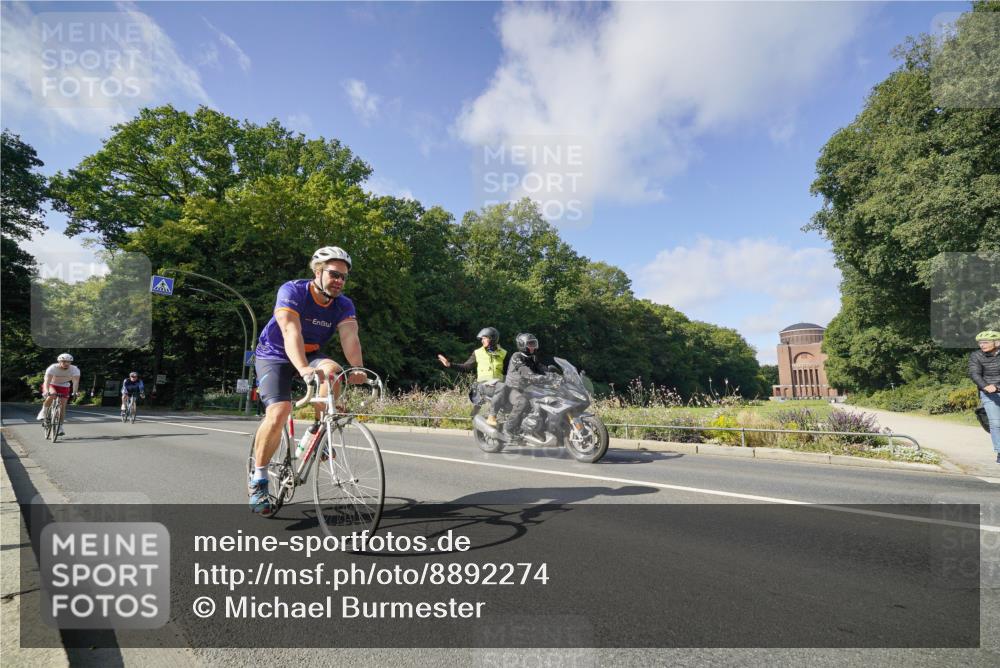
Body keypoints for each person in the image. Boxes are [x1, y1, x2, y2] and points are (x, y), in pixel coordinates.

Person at [249, 246, 367, 514]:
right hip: (275, 355)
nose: (339, 281)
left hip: (312, 354)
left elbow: (350, 337)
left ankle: (317, 434)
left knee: (335, 372)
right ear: (318, 271)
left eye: (343, 277)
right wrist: (302, 368)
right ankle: (258, 478)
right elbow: (290, 331)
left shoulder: (343, 304)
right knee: (279, 412)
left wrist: (358, 368)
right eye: (334, 274)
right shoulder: (292, 291)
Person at [437, 327, 506, 426]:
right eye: (481, 339)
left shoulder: (503, 353)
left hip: (498, 385)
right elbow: (466, 367)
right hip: (484, 385)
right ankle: (484, 418)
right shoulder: (478, 352)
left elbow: (510, 371)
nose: (482, 341)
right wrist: (450, 364)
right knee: (499, 390)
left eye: (484, 338)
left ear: (492, 339)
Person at [501, 333, 552, 442]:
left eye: (534, 344)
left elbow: (541, 368)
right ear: (522, 345)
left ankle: (538, 429)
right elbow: (523, 370)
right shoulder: (516, 356)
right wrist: (532, 376)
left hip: (528, 389)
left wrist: (553, 374)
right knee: (522, 402)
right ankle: (508, 429)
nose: (533, 346)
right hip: (513, 389)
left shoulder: (533, 358)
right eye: (530, 344)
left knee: (545, 401)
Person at [969, 330, 1000, 464]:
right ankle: (999, 451)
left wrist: (997, 386)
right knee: (995, 423)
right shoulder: (976, 356)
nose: (982, 345)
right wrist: (986, 386)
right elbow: (974, 374)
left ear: (997, 342)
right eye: (980, 343)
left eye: (986, 342)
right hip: (989, 393)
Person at [37, 353, 80, 436]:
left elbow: (75, 382)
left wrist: (75, 392)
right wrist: (46, 391)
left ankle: (60, 427)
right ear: (59, 361)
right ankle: (43, 412)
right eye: (64, 361)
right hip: (51, 384)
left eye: (68, 362)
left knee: (63, 406)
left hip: (64, 385)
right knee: (53, 394)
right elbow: (47, 381)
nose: (66, 364)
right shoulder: (52, 368)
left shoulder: (75, 369)